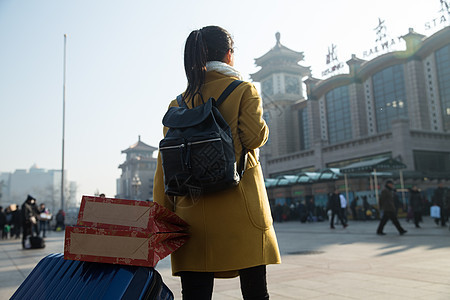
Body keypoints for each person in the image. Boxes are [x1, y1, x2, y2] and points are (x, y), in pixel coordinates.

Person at [153, 26, 281, 300]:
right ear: (228, 54)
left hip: (192, 213)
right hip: (241, 212)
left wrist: (162, 217)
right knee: (256, 294)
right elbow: (255, 137)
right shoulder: (243, 90)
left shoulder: (177, 104)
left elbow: (164, 166)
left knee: (195, 296)